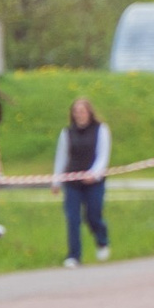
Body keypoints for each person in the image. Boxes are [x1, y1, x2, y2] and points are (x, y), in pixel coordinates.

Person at [52, 97, 111, 266]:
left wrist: (94, 174)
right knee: (73, 218)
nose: (79, 115)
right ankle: (74, 255)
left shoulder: (101, 130)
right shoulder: (67, 133)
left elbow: (103, 155)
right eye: (76, 112)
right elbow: (61, 157)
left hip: (94, 182)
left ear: (89, 112)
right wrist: (57, 180)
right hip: (72, 181)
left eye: (82, 111)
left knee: (93, 215)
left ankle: (102, 240)